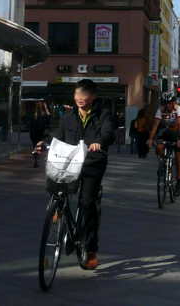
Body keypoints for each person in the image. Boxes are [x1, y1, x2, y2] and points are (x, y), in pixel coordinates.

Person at [39, 79, 113, 270]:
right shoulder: (68, 117)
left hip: (92, 164)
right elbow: (56, 135)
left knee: (87, 203)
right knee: (55, 183)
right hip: (70, 164)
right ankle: (58, 209)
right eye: (77, 94)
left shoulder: (103, 115)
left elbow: (108, 133)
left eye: (85, 94)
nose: (80, 98)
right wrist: (43, 143)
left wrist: (99, 142)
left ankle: (91, 249)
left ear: (93, 96)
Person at [148, 93, 180, 189]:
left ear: (173, 103)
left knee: (178, 160)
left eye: (169, 103)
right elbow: (155, 126)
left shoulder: (178, 109)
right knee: (159, 147)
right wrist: (150, 139)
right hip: (164, 133)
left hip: (176, 134)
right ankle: (163, 164)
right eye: (165, 103)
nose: (167, 105)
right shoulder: (160, 110)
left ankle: (178, 182)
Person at [28, 102, 51, 168]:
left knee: (35, 146)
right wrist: (46, 107)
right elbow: (49, 117)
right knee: (39, 147)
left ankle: (36, 160)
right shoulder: (43, 115)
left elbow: (30, 124)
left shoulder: (33, 115)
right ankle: (37, 160)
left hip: (34, 133)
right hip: (40, 133)